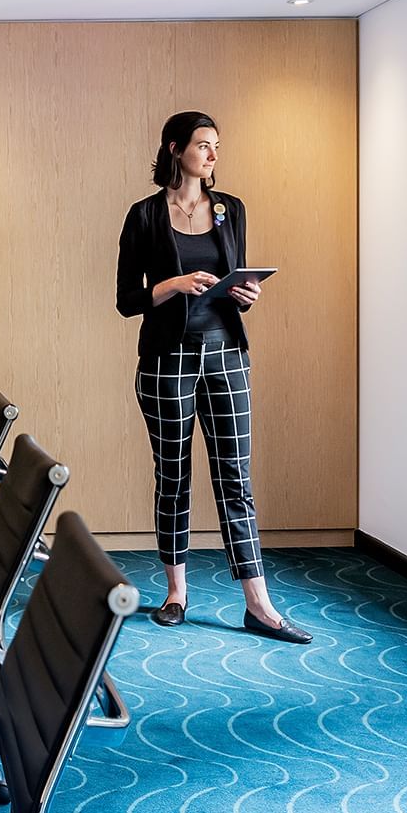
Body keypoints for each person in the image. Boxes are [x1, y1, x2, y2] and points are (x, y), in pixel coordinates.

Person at [115, 111, 310, 642]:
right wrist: (174, 283)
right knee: (173, 475)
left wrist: (245, 294)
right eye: (204, 145)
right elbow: (127, 300)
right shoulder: (146, 215)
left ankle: (259, 603)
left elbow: (231, 281)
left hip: (226, 355)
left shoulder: (231, 210)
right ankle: (176, 592)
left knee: (235, 479)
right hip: (165, 360)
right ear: (176, 149)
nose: (213, 155)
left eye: (217, 146)